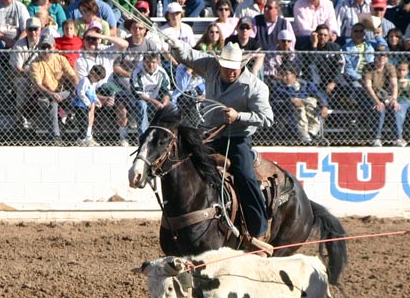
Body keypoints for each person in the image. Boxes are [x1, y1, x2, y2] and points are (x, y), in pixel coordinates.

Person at [167, 39, 274, 247]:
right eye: (226, 68)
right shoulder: (210, 67)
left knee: (245, 176)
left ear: (241, 66)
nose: (230, 72)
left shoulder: (255, 87)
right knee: (183, 162)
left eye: (234, 69)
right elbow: (188, 55)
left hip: (238, 137)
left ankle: (258, 230)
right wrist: (176, 44)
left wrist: (239, 116)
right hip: (210, 134)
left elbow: (267, 118)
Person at [29, 36, 76, 140]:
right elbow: (38, 85)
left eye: (48, 47)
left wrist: (77, 86)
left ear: (54, 47)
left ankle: (84, 134)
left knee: (80, 95)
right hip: (44, 94)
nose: (46, 50)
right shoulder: (35, 64)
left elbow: (72, 75)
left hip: (61, 93)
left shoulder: (60, 59)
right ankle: (56, 136)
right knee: (52, 101)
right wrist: (52, 94)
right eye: (43, 47)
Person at [273, 61, 328, 143]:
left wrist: (324, 106)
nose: (284, 77)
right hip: (290, 109)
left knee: (311, 101)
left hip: (308, 106)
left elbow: (319, 94)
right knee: (300, 108)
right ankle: (304, 135)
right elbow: (275, 102)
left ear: (294, 74)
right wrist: (290, 100)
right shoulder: (279, 88)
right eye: (282, 74)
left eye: (286, 74)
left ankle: (312, 131)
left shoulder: (305, 84)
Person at [362, 46, 398, 146]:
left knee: (395, 108)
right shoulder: (368, 67)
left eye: (384, 55)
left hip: (384, 95)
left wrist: (394, 99)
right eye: (379, 54)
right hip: (370, 96)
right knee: (380, 109)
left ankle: (398, 138)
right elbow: (368, 87)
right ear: (375, 56)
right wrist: (377, 101)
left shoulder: (390, 67)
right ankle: (377, 138)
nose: (382, 57)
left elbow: (394, 85)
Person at [130, 52, 171, 136]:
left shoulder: (162, 72)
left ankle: (165, 135)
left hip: (157, 100)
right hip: (139, 101)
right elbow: (139, 94)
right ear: (144, 61)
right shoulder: (137, 72)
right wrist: (155, 102)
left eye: (153, 62)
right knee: (142, 105)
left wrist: (164, 103)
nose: (151, 65)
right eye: (148, 62)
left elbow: (166, 91)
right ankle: (144, 135)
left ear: (157, 62)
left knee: (172, 105)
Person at [73, 62, 106, 144]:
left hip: (87, 106)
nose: (97, 81)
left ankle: (86, 137)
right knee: (83, 122)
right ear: (92, 73)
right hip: (80, 105)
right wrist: (87, 103)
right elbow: (80, 92)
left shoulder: (92, 83)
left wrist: (97, 101)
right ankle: (81, 138)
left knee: (87, 121)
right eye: (97, 79)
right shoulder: (85, 80)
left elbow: (93, 93)